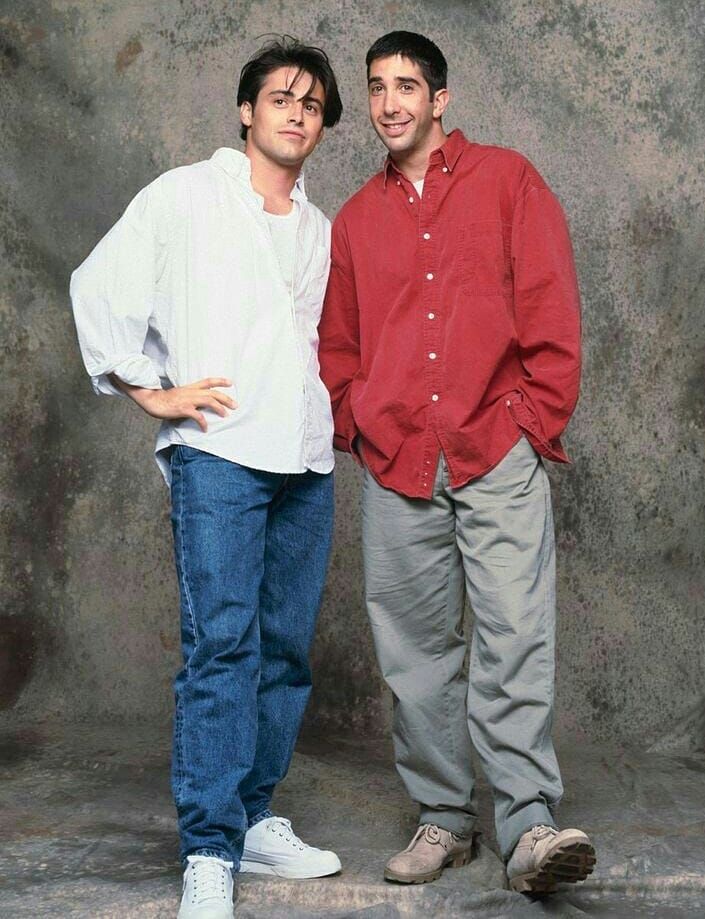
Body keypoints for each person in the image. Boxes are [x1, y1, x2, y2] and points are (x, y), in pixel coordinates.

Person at [70, 37, 343, 919]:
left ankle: (254, 813)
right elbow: (99, 284)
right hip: (219, 453)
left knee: (284, 649)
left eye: (311, 104)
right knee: (220, 648)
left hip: (304, 455)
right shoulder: (186, 196)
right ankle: (208, 850)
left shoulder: (318, 226)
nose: (296, 113)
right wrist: (150, 391)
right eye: (279, 98)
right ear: (246, 111)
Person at [318, 30, 595, 895]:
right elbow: (338, 347)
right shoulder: (357, 220)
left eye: (406, 85)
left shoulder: (509, 182)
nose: (388, 102)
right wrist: (359, 425)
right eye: (375, 87)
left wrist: (527, 420)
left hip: (493, 447)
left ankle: (528, 829)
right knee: (414, 654)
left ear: (441, 99)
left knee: (515, 636)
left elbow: (550, 305)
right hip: (399, 458)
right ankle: (445, 817)